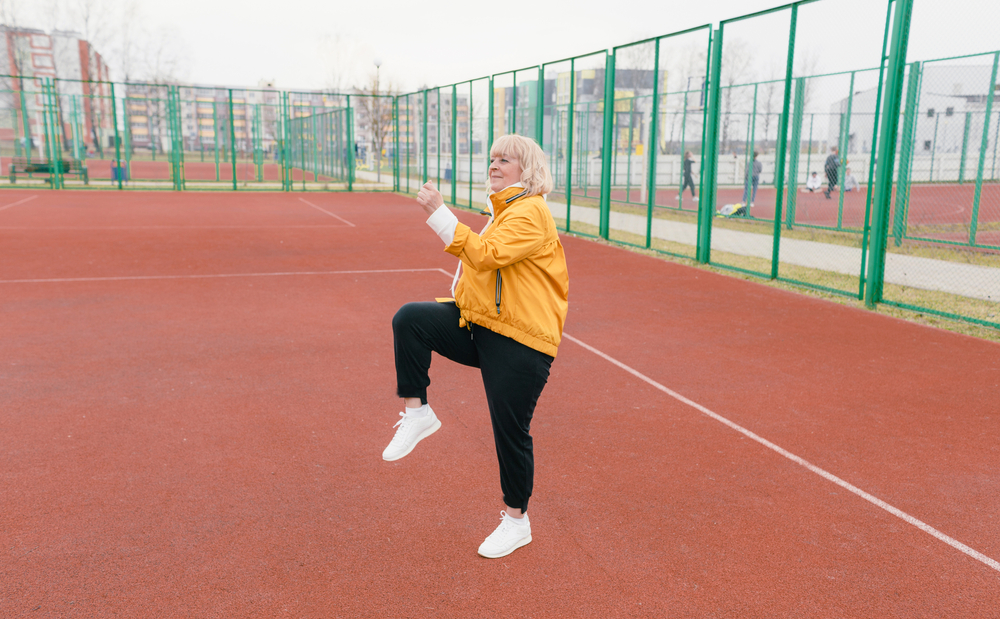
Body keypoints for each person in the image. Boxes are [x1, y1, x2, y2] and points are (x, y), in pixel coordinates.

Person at [385, 134, 569, 559]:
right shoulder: (503, 211)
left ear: (528, 171)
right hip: (484, 326)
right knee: (411, 319)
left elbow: (485, 256)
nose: (495, 165)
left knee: (510, 433)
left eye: (506, 159)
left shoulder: (531, 213)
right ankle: (419, 413)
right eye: (492, 159)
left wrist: (438, 213)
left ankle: (516, 521)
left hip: (521, 341)